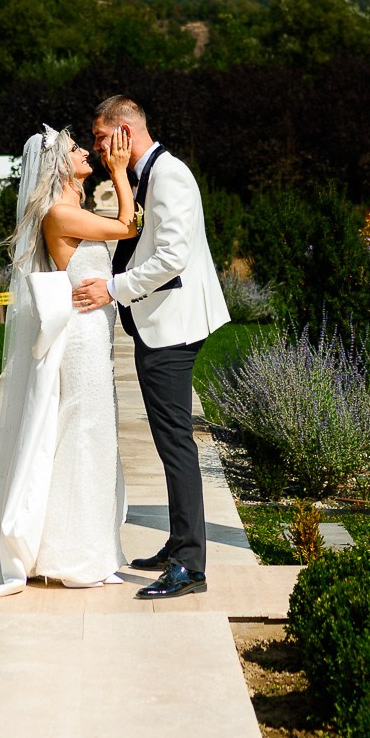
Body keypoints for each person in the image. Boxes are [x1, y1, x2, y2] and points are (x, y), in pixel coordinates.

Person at [0, 123, 139, 594]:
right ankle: (72, 554)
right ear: (57, 165)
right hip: (81, 337)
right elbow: (128, 224)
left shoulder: (74, 208)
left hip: (94, 332)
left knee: (92, 431)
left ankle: (88, 546)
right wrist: (119, 171)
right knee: (81, 431)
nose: (86, 150)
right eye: (75, 149)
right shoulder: (59, 213)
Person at [71, 95, 230, 600]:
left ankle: (190, 565)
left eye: (99, 137)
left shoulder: (169, 175)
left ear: (124, 131)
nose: (95, 148)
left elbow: (173, 257)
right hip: (157, 323)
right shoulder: (147, 174)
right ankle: (180, 542)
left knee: (176, 443)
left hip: (172, 326)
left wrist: (113, 290)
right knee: (170, 443)